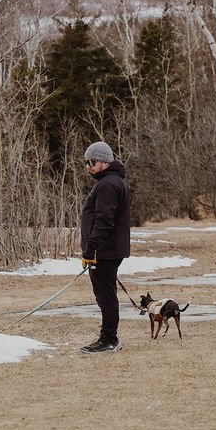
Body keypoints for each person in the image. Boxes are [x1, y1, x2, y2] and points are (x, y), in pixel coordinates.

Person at [79, 140, 131, 354]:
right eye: (86, 162)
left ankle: (109, 339)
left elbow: (104, 220)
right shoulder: (111, 181)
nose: (88, 166)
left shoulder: (109, 184)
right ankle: (108, 336)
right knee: (105, 294)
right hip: (107, 250)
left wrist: (91, 249)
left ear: (103, 161)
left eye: (92, 162)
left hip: (105, 251)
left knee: (106, 295)